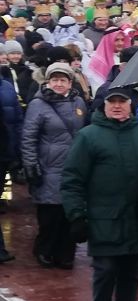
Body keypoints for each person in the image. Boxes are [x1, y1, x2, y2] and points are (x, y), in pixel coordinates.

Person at [61, 86, 138, 301]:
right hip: (104, 221)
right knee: (105, 272)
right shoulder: (89, 137)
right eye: (112, 101)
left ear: (130, 104)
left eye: (122, 101)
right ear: (104, 105)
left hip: (137, 220)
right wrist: (76, 215)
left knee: (130, 276)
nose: (117, 106)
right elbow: (72, 179)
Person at [21, 62, 86, 268]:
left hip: (73, 166)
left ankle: (66, 253)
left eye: (63, 80)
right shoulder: (38, 104)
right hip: (48, 166)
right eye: (55, 80)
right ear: (48, 82)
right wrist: (31, 165)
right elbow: (28, 137)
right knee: (50, 214)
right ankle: (45, 250)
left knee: (70, 213)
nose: (59, 84)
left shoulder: (78, 102)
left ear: (70, 82)